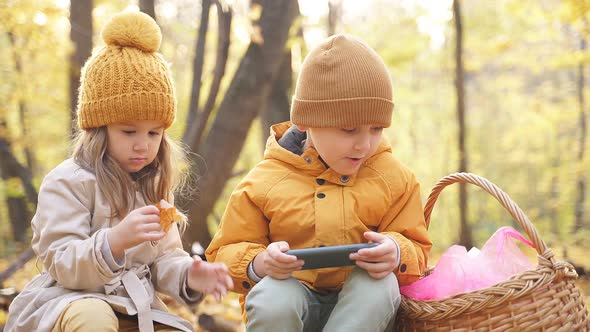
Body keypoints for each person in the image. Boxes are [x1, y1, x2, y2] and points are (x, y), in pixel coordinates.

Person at [6, 11, 232, 332]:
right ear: (99, 128)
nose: (143, 145)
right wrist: (114, 241)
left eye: (154, 133)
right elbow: (61, 261)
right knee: (94, 316)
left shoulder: (155, 187)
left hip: (135, 306)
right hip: (68, 303)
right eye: (129, 132)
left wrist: (190, 275)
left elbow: (165, 258)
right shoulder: (66, 182)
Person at [205, 34, 432, 332]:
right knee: (273, 295)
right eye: (349, 130)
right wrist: (259, 263)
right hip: (290, 304)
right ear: (305, 121)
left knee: (379, 285)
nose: (364, 144)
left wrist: (397, 252)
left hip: (361, 315)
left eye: (376, 129)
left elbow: (417, 245)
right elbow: (224, 252)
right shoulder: (263, 182)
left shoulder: (394, 179)